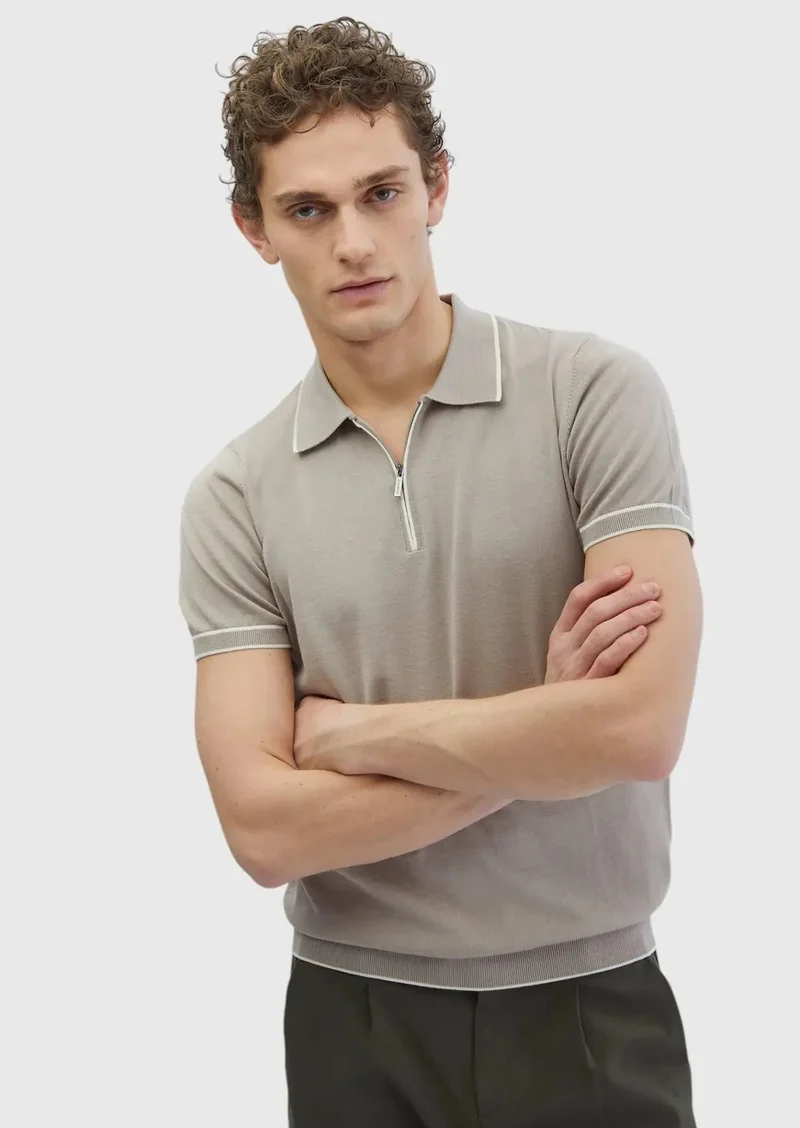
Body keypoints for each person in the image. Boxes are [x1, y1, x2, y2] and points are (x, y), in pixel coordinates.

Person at [178, 16, 704, 1127]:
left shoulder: (592, 396)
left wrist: (352, 737)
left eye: (382, 193)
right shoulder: (235, 497)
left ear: (438, 187)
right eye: (307, 210)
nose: (354, 243)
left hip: (589, 1006)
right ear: (253, 230)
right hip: (350, 1022)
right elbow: (264, 833)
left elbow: (638, 728)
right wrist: (545, 728)